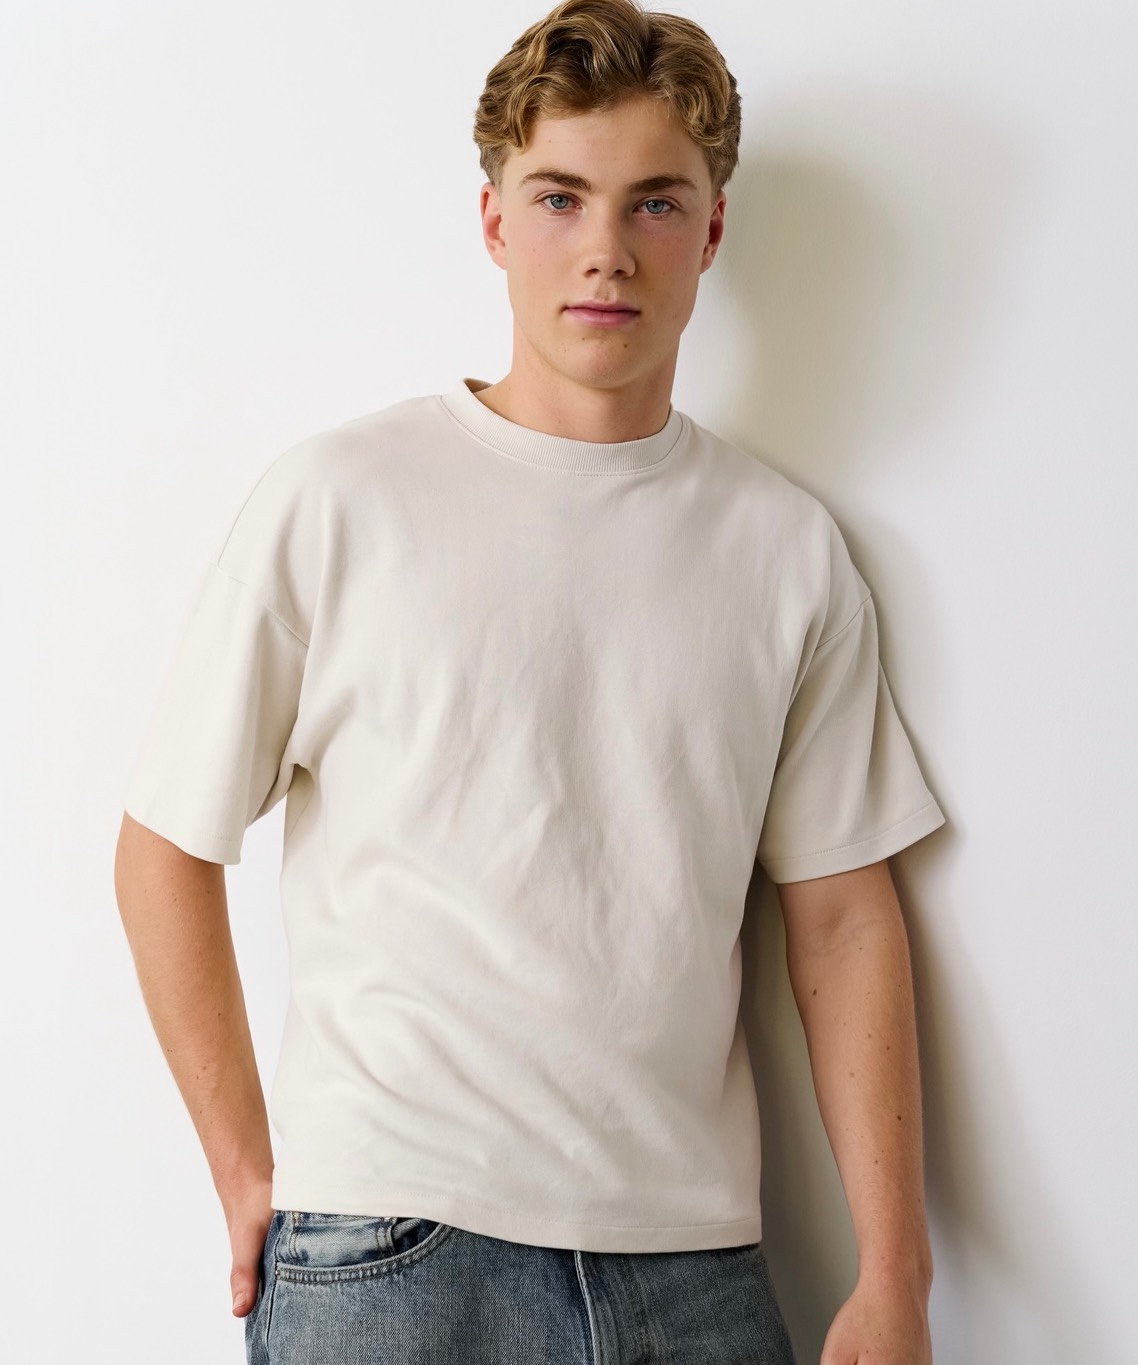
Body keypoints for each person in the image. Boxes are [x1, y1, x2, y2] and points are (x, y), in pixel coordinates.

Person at [115, 2, 944, 1361]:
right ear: (495, 221)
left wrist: (894, 1271)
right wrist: (247, 1168)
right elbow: (163, 847)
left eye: (655, 203)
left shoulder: (783, 550)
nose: (606, 250)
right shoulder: (342, 500)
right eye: (560, 198)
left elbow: (845, 917)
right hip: (388, 1248)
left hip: (692, 1263)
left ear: (711, 235)